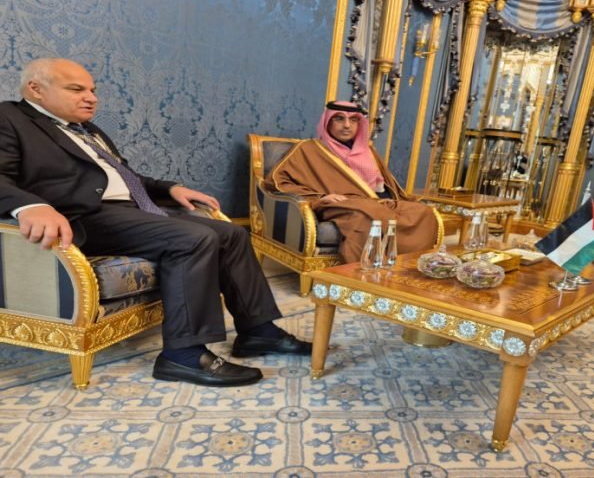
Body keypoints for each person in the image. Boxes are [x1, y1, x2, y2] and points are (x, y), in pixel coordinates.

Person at [0, 58, 311, 388]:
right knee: (193, 238)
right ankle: (183, 355)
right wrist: (30, 206)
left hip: (127, 212)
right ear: (36, 89)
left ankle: (258, 332)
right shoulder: (10, 117)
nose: (91, 98)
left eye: (93, 90)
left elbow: (125, 177)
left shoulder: (87, 130)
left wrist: (170, 189)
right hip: (83, 216)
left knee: (232, 233)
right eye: (77, 89)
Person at [265, 101, 439, 262]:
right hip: (342, 204)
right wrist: (320, 197)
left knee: (424, 212)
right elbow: (277, 181)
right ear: (327, 122)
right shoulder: (308, 149)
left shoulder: (367, 150)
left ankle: (407, 267)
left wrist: (395, 202)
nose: (347, 125)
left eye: (353, 120)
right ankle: (366, 273)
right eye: (339, 119)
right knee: (366, 216)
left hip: (376, 202)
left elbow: (386, 185)